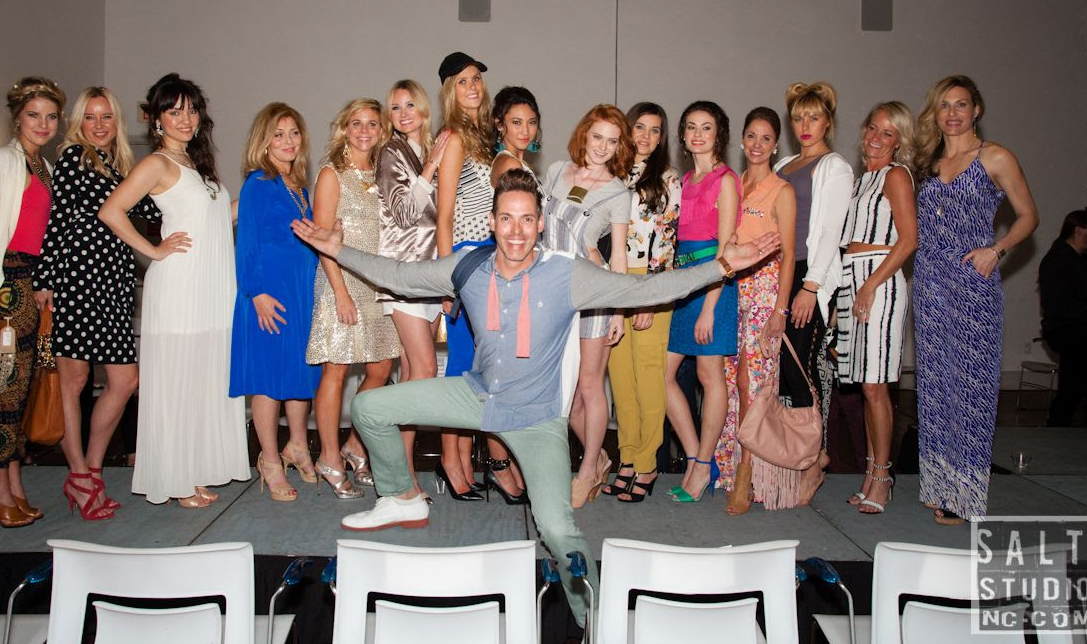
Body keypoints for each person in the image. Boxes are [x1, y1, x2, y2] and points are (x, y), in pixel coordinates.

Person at [291, 168, 781, 627]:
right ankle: (402, 497)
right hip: (477, 395)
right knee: (370, 408)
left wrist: (721, 266)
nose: (516, 231)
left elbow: (648, 289)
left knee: (559, 530)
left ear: (541, 224)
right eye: (507, 219)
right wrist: (339, 250)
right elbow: (398, 276)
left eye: (527, 219)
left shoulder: (567, 273)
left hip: (536, 418)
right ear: (491, 222)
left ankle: (596, 623)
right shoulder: (468, 265)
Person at [99, 73, 250, 506]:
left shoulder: (198, 166)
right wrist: (153, 250)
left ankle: (195, 471)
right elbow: (112, 211)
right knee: (178, 383)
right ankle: (175, 480)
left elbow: (219, 218)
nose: (185, 118)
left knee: (203, 380)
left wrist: (261, 191)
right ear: (157, 119)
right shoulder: (157, 164)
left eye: (192, 110)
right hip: (180, 286)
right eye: (174, 111)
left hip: (212, 288)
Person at [913, 74, 1038, 524]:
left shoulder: (995, 157)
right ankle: (938, 484)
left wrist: (997, 250)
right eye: (945, 105)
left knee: (971, 387)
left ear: (976, 109)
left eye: (961, 104)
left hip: (972, 284)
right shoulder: (927, 162)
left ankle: (964, 494)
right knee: (934, 385)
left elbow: (1029, 216)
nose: (952, 113)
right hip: (929, 282)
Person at [34, 86, 160, 520]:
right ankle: (80, 474)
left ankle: (90, 469)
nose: (99, 125)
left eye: (106, 117)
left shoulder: (117, 165)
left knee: (124, 380)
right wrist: (45, 280)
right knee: (74, 383)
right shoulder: (74, 158)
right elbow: (57, 222)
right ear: (79, 123)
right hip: (77, 281)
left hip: (113, 285)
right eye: (90, 117)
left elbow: (153, 209)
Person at [0, 76, 63, 527]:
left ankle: (15, 484)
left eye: (51, 116)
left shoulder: (42, 165)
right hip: (5, 286)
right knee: (1, 393)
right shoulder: (3, 161)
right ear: (17, 118)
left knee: (22, 391)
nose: (43, 124)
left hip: (31, 285)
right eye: (33, 115)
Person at [305, 98, 400, 499]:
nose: (364, 131)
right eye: (357, 123)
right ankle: (328, 457)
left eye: (372, 124)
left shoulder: (383, 174)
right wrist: (340, 293)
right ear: (344, 128)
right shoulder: (332, 174)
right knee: (337, 370)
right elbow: (322, 240)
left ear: (382, 130)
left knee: (381, 368)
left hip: (376, 284)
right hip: (339, 282)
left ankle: (355, 446)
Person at [540, 104, 633, 507]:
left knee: (590, 386)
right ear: (584, 134)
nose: (603, 147)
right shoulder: (556, 171)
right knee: (561, 391)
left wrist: (619, 310)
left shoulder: (619, 192)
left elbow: (619, 257)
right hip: (550, 293)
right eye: (597, 137)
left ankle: (587, 469)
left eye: (612, 141)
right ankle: (599, 460)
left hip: (593, 295)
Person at [229, 103, 322, 502]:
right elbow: (246, 242)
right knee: (268, 378)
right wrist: (257, 293)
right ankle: (268, 459)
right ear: (264, 141)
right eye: (278, 134)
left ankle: (297, 445)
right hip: (268, 294)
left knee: (299, 373)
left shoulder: (298, 187)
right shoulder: (259, 183)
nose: (288, 141)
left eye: (294, 133)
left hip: (299, 294)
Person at [835, 102, 918, 514]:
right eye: (872, 128)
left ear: (899, 141)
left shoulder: (896, 175)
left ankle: (883, 476)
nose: (875, 137)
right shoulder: (861, 180)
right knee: (863, 386)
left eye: (887, 132)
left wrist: (870, 284)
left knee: (875, 385)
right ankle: (871, 471)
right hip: (852, 277)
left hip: (878, 278)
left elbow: (909, 239)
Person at [774, 81, 854, 505]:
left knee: (801, 367)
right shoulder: (785, 164)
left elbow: (830, 233)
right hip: (779, 273)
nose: (805, 125)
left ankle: (815, 458)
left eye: (814, 117)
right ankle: (793, 453)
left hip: (809, 276)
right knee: (780, 371)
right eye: (798, 117)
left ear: (828, 122)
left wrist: (811, 286)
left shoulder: (835, 167)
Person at [715, 107, 797, 514]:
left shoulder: (782, 190)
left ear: (776, 144)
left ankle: (748, 470)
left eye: (766, 138)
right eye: (751, 136)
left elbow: (790, 255)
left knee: (751, 381)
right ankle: (730, 466)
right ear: (742, 140)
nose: (757, 144)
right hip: (733, 285)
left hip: (765, 288)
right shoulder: (733, 182)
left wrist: (780, 310)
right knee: (730, 381)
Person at [375, 80, 450, 497]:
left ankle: (400, 475)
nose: (403, 114)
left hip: (430, 276)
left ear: (423, 108)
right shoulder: (391, 152)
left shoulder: (429, 149)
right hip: (403, 276)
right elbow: (404, 214)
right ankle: (399, 474)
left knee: (409, 376)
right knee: (423, 371)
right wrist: (430, 167)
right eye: (395, 107)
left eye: (410, 105)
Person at [662, 101, 739, 503]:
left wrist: (710, 306)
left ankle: (704, 464)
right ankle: (695, 458)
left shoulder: (726, 180)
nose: (697, 134)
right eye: (691, 127)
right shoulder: (684, 181)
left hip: (714, 285)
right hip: (682, 285)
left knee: (710, 377)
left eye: (706, 127)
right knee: (662, 375)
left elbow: (726, 249)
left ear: (718, 134)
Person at [604, 102, 681, 503]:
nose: (646, 136)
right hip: (614, 282)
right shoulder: (613, 173)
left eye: (655, 130)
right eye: (640, 127)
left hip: (651, 284)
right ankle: (628, 458)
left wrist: (650, 298)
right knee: (621, 379)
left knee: (648, 376)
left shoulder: (667, 179)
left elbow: (665, 243)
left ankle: (648, 462)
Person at [433, 52, 495, 500]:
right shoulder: (454, 138)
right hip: (464, 260)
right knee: (459, 365)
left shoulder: (485, 138)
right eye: (462, 81)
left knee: (477, 367)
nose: (472, 86)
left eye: (476, 79)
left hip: (490, 257)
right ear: (449, 91)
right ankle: (449, 460)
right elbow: (444, 216)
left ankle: (465, 458)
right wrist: (446, 278)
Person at [484, 84, 543, 502]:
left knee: (515, 376)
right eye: (516, 122)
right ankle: (499, 464)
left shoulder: (517, 162)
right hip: (509, 279)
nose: (525, 129)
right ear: (500, 125)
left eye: (531, 122)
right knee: (501, 377)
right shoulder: (506, 164)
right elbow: (512, 229)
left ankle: (510, 460)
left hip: (523, 276)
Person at [1039, 210, 1087, 429]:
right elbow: (1061, 305)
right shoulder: (1056, 261)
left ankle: (1067, 424)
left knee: (1075, 383)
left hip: (1083, 329)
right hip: (1064, 329)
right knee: (1086, 373)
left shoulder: (1085, 263)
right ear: (1079, 231)